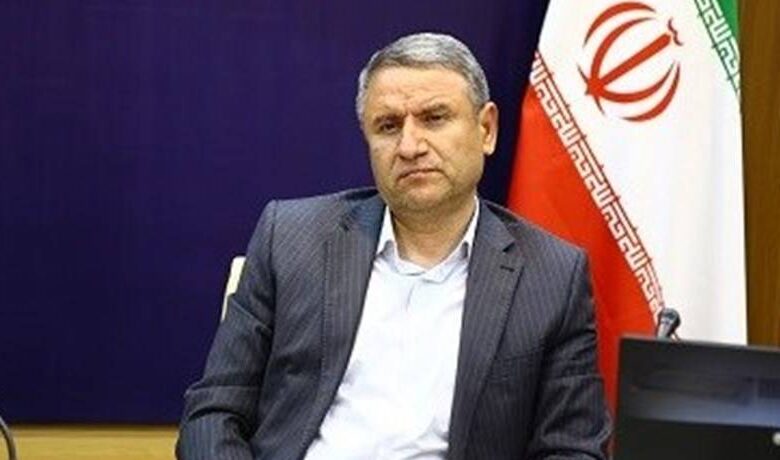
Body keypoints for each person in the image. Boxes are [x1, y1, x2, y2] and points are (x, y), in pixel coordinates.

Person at [177, 32, 611, 460]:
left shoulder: (552, 276)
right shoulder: (291, 239)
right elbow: (213, 412)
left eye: (434, 118)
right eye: (388, 126)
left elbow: (572, 448)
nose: (409, 146)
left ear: (486, 129)